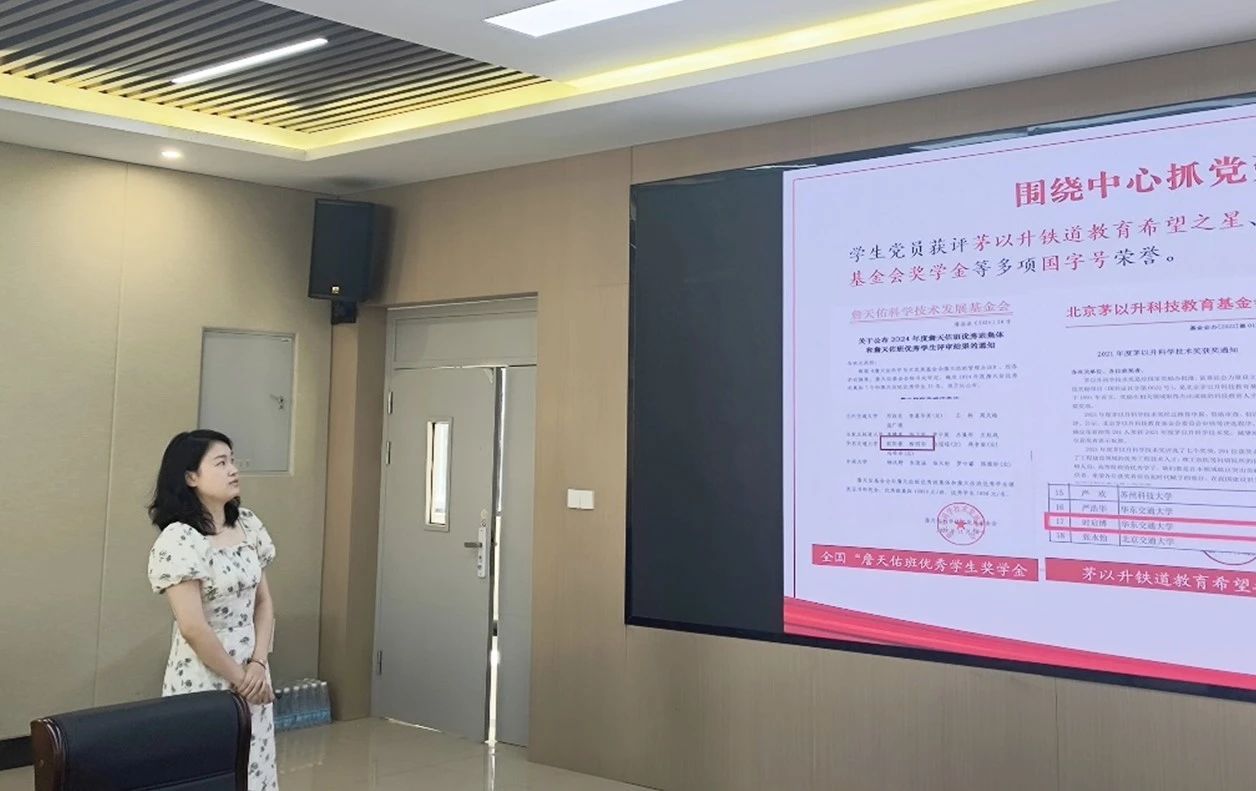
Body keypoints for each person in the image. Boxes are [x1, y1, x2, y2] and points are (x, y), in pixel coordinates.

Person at [146, 430, 278, 790]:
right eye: (221, 463)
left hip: (253, 670)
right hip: (204, 673)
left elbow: (264, 602)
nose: (233, 469)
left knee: (254, 766)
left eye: (232, 460)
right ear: (191, 477)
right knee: (204, 768)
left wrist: (258, 663)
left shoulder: (247, 524)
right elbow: (193, 627)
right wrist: (240, 678)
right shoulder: (180, 539)